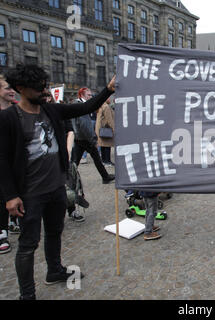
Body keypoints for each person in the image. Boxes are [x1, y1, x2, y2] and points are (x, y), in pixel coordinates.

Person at [0, 64, 116, 299]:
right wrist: (10, 196)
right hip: (30, 193)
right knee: (28, 244)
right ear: (21, 88)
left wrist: (109, 89)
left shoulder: (51, 110)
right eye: (39, 88)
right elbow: (1, 159)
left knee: (54, 232)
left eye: (45, 85)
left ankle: (54, 270)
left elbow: (87, 106)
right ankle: (27, 294)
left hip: (55, 187)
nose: (44, 91)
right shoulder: (8, 118)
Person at [71, 87, 115, 184]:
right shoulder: (81, 105)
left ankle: (70, 179)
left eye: (91, 95)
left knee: (77, 160)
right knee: (93, 158)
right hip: (84, 138)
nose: (91, 97)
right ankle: (105, 177)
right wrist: (93, 139)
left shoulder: (79, 104)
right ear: (82, 95)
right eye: (88, 95)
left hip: (80, 137)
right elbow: (84, 125)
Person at [0, 75, 20, 255]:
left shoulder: (17, 111)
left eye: (12, 88)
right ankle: (1, 232)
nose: (12, 91)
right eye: (7, 88)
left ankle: (15, 221)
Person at [95, 98, 115, 166]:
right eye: (109, 98)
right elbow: (109, 119)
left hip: (100, 129)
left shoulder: (100, 106)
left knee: (103, 145)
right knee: (107, 146)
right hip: (106, 129)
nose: (110, 99)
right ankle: (107, 161)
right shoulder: (106, 107)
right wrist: (114, 128)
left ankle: (104, 160)